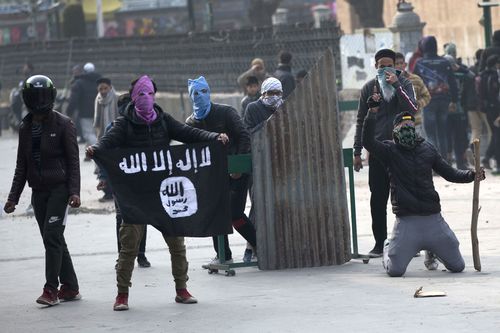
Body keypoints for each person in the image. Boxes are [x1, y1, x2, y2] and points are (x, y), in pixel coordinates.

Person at [86, 75, 228, 311]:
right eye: (142, 94)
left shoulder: (164, 121)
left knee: (176, 242)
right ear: (133, 97)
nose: (147, 99)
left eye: (150, 94)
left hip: (164, 193)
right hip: (134, 195)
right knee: (129, 246)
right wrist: (96, 150)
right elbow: (107, 142)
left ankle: (181, 289)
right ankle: (122, 295)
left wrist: (214, 137)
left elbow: (188, 134)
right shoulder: (123, 124)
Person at [362, 109, 485, 277]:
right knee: (395, 270)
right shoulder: (389, 150)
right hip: (407, 222)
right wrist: (373, 113)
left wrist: (471, 175)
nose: (408, 128)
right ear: (395, 129)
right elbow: (368, 142)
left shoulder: (428, 148)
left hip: (433, 219)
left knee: (458, 266)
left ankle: (433, 250)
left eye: (411, 124)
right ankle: (387, 246)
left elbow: (449, 173)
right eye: (403, 125)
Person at [4, 75, 81, 306]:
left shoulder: (64, 124)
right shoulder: (25, 127)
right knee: (54, 238)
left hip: (60, 190)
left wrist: (74, 191)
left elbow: (73, 161)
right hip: (38, 193)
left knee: (51, 236)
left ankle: (51, 290)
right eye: (35, 96)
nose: (39, 101)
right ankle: (71, 287)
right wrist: (13, 198)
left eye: (43, 96)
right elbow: (21, 165)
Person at [353, 48, 418, 257]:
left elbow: (413, 109)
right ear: (375, 67)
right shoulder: (369, 88)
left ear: (396, 66)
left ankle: (410, 242)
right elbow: (360, 120)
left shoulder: (404, 83)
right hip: (378, 150)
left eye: (389, 65)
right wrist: (357, 151)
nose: (385, 69)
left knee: (406, 197)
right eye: (381, 66)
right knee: (378, 198)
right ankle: (379, 243)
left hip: (403, 149)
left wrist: (397, 86)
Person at [185, 76, 257, 264]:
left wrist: (238, 166)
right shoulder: (191, 123)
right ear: (191, 96)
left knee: (234, 214)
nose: (200, 96)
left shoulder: (226, 112)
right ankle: (223, 255)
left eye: (203, 91)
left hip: (236, 173)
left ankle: (259, 245)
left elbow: (243, 136)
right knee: (215, 213)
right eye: (195, 93)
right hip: (211, 176)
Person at [96, 93, 152, 268]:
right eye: (122, 105)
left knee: (142, 216)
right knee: (121, 217)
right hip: (119, 180)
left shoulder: (144, 127)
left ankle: (141, 254)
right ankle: (122, 255)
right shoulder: (113, 128)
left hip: (141, 179)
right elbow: (105, 153)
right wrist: (104, 177)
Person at [413, 36, 459, 158]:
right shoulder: (445, 62)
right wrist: (454, 100)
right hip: (444, 101)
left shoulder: (420, 63)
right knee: (442, 133)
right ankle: (442, 162)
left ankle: (433, 163)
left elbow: (414, 83)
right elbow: (453, 83)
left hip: (427, 102)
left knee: (430, 135)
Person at [442, 43, 471, 169]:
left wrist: (458, 68)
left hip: (455, 110)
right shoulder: (443, 75)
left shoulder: (457, 72)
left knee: (457, 137)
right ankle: (453, 162)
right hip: (450, 111)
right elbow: (471, 75)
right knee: (452, 138)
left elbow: (471, 76)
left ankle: (458, 162)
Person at [462, 49, 491, 167]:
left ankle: (472, 150)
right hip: (483, 105)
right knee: (491, 131)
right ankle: (489, 156)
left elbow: (464, 89)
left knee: (475, 129)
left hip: (470, 105)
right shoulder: (485, 71)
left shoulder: (470, 71)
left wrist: (464, 104)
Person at [93, 77, 118, 202]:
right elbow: (97, 123)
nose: (103, 91)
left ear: (110, 87)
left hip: (116, 138)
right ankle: (107, 192)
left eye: (105, 88)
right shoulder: (98, 100)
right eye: (100, 88)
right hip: (103, 138)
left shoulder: (117, 98)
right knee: (102, 165)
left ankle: (114, 192)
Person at [67, 62, 102, 151]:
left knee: (88, 134)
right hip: (99, 110)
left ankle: (99, 150)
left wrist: (69, 112)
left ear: (84, 71)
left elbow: (73, 99)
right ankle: (89, 153)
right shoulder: (100, 81)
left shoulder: (79, 83)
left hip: (85, 113)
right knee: (96, 133)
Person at [395, 52, 431, 136]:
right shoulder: (388, 82)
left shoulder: (416, 79)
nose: (399, 66)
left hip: (416, 123)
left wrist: (417, 104)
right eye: (396, 64)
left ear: (405, 64)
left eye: (401, 63)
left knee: (417, 148)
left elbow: (427, 96)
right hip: (397, 124)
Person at [478, 55, 500, 173]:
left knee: (496, 134)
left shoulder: (483, 75)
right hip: (496, 109)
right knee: (497, 135)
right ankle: (497, 163)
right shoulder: (494, 75)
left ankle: (487, 158)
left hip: (488, 109)